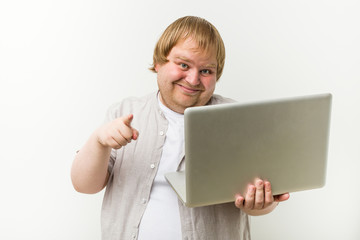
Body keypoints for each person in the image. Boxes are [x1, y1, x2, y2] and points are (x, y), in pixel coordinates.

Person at [71, 16, 290, 240]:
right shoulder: (124, 113)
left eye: (206, 71)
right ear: (158, 63)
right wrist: (99, 142)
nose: (193, 79)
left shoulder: (237, 119)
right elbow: (84, 185)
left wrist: (261, 203)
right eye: (183, 65)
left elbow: (258, 202)